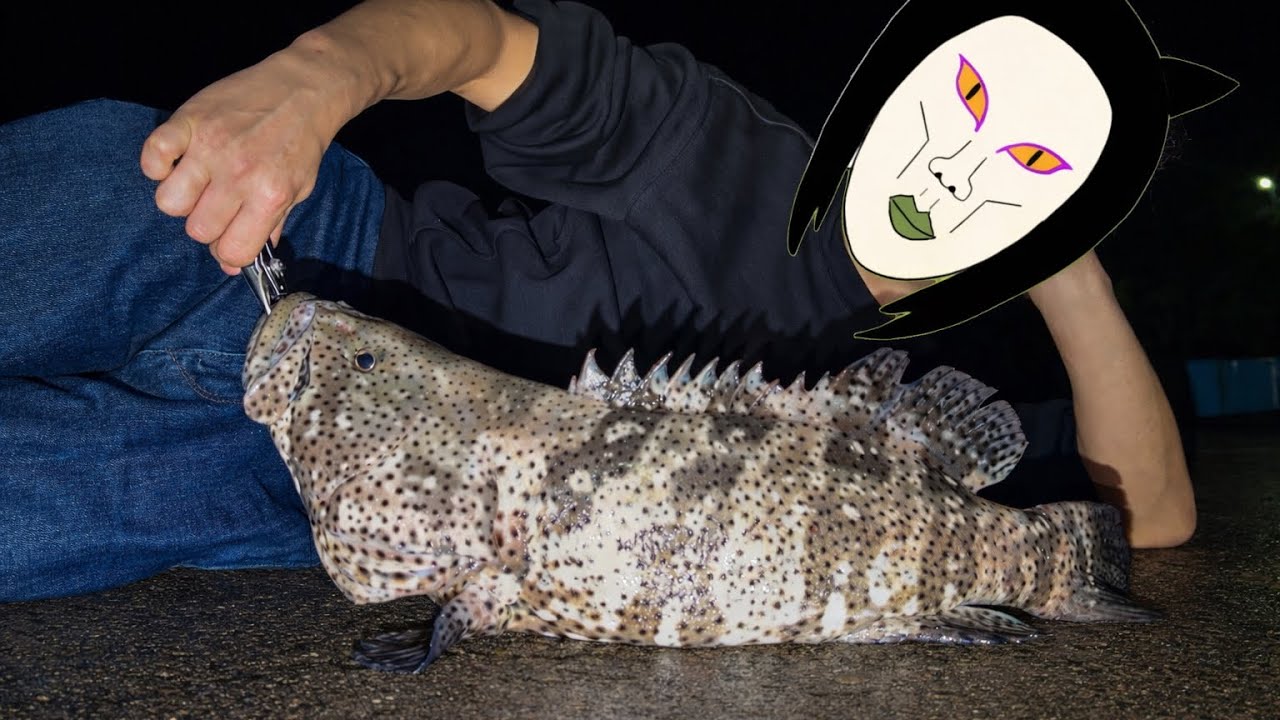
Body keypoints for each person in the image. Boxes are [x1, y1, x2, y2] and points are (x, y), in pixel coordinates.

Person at [0, 0, 1196, 603]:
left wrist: (1070, 277)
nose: (958, 166)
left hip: (330, 500)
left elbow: (1138, 527)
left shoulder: (874, 407)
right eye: (969, 95)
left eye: (1038, 169)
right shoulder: (732, 155)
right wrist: (313, 80)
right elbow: (477, 40)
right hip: (304, 263)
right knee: (116, 190)